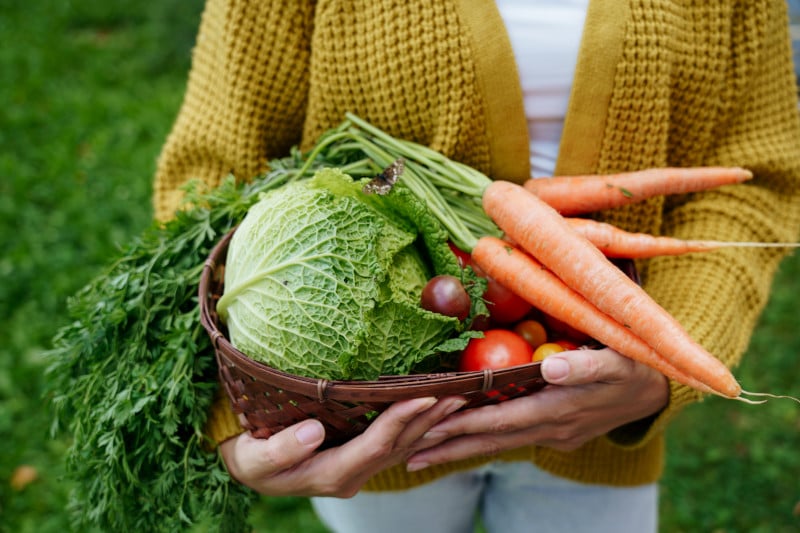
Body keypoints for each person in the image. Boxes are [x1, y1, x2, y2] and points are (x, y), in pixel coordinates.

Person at [152, 1, 800, 531]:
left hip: (602, 408)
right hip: (371, 415)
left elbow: (758, 178)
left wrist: (662, 367)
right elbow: (210, 174)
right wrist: (236, 408)